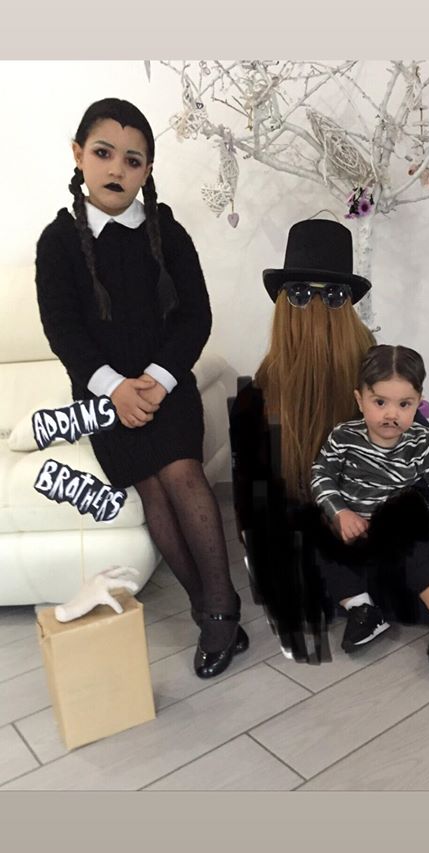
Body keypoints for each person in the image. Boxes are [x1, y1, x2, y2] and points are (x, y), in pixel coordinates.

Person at [35, 97, 248, 679]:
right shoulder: (57, 242)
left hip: (167, 386)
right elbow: (64, 331)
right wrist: (114, 391)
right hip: (103, 398)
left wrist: (157, 380)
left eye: (132, 160)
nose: (116, 169)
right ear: (78, 155)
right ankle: (209, 609)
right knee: (151, 488)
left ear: (147, 170)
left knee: (181, 471)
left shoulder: (166, 231)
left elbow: (196, 317)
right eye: (103, 153)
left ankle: (221, 607)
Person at [229, 219, 429, 664]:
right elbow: (257, 491)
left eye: (333, 296)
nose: (316, 306)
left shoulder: (372, 366)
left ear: (348, 306)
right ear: (283, 303)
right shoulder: (264, 385)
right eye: (300, 293)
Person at [311, 344, 429, 664]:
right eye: (380, 402)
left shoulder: (421, 442)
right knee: (323, 546)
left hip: (396, 528)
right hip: (353, 523)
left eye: (404, 404)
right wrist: (340, 512)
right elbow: (321, 475)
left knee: (419, 556)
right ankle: (362, 610)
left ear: (419, 403)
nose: (391, 414)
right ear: (360, 399)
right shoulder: (343, 437)